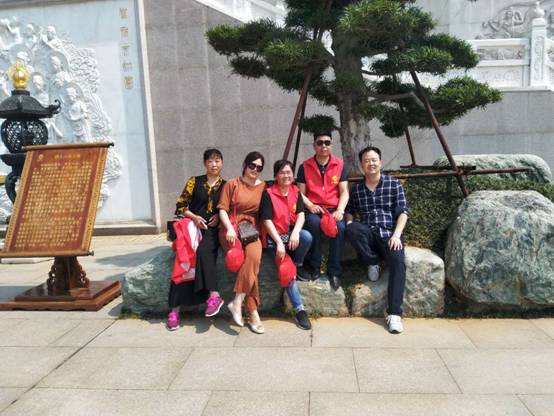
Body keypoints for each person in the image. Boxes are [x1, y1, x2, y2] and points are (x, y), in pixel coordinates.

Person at [345, 146, 409, 334]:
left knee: (398, 262)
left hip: (389, 235)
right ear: (362, 165)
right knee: (352, 228)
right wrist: (349, 222)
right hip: (368, 234)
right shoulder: (357, 189)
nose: (371, 163)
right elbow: (350, 210)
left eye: (374, 160)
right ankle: (373, 262)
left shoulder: (393, 184)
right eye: (366, 161)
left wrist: (396, 235)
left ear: (380, 162)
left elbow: (403, 212)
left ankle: (394, 314)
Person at [166, 149, 225, 331]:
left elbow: (230, 208)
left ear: (222, 163)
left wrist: (219, 216)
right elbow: (181, 206)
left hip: (212, 230)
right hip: (192, 228)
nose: (214, 164)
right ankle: (174, 311)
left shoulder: (227, 185)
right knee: (182, 260)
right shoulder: (194, 181)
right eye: (210, 161)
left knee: (203, 252)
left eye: (217, 160)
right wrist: (194, 217)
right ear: (204, 163)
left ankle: (214, 296)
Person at [260, 160, 312, 330]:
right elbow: (267, 220)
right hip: (274, 239)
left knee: (306, 236)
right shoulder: (268, 194)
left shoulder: (295, 191)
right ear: (276, 175)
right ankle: (299, 310)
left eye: (289, 172)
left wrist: (296, 232)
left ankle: (297, 264)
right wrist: (278, 243)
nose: (286, 176)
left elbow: (301, 214)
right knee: (286, 270)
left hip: (289, 235)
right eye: (282, 172)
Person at [218, 151, 266, 334]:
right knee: (241, 260)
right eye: (252, 165)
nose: (255, 169)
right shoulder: (232, 184)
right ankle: (253, 313)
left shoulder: (263, 187)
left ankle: (237, 301)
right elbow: (222, 209)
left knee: (253, 257)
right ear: (245, 164)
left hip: (251, 229)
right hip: (230, 228)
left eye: (259, 167)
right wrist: (229, 229)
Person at [297, 132, 349, 290]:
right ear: (314, 146)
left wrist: (340, 210)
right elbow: (300, 193)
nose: (323, 146)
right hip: (314, 208)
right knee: (313, 223)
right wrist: (310, 205)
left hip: (333, 208)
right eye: (320, 143)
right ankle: (314, 266)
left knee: (340, 228)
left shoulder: (339, 165)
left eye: (327, 142)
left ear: (331, 145)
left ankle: (334, 271)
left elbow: (344, 191)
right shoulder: (304, 166)